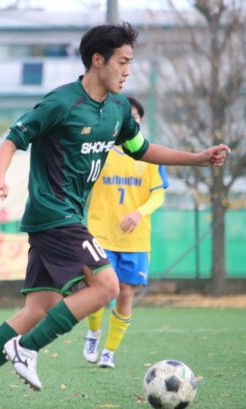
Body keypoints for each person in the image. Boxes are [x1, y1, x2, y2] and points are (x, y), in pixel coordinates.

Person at [0, 22, 230, 409]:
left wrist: (197, 158)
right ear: (98, 60)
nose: (128, 70)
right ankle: (26, 349)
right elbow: (13, 140)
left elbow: (142, 149)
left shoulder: (118, 109)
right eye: (122, 62)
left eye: (130, 62)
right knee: (108, 285)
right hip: (54, 214)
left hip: (62, 218)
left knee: (39, 309)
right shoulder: (62, 103)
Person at [82, 97, 167, 369]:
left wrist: (139, 213)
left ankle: (109, 351)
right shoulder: (100, 152)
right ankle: (93, 333)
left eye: (136, 117)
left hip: (135, 240)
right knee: (100, 289)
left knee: (126, 293)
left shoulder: (150, 156)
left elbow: (159, 195)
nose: (132, 121)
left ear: (139, 122)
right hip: (101, 234)